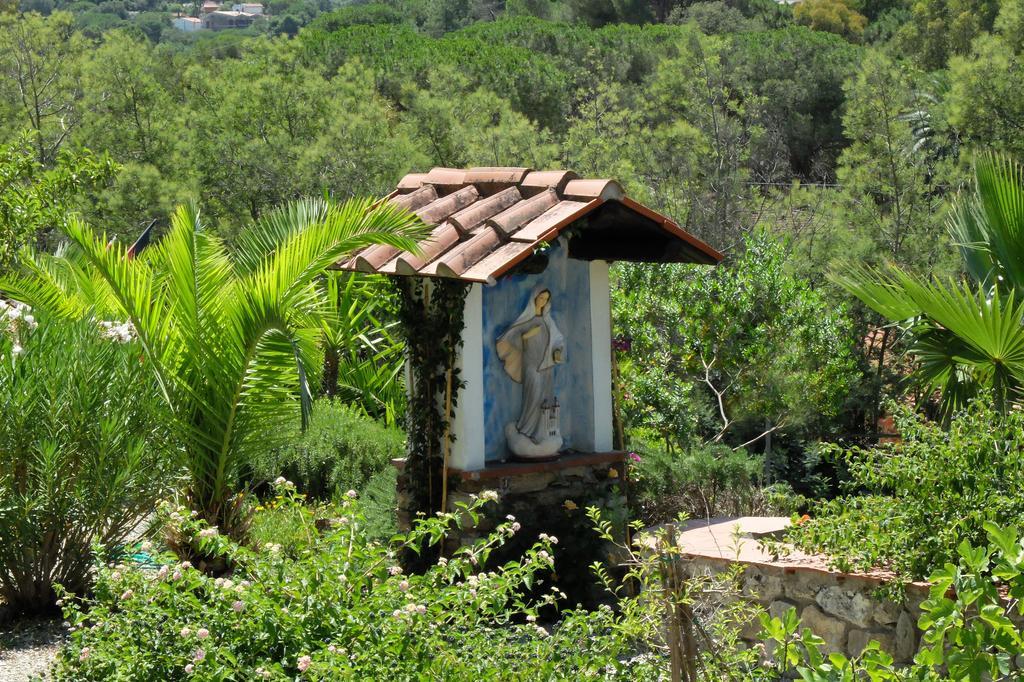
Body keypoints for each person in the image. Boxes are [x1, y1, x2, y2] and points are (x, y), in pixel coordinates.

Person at [496, 287, 565, 448]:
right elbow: (509, 338)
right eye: (541, 298)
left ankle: (542, 432)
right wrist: (527, 335)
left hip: (546, 366)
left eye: (546, 299)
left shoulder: (548, 321)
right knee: (533, 395)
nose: (543, 301)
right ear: (534, 298)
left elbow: (558, 340)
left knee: (545, 398)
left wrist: (557, 352)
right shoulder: (526, 320)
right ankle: (526, 430)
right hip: (531, 364)